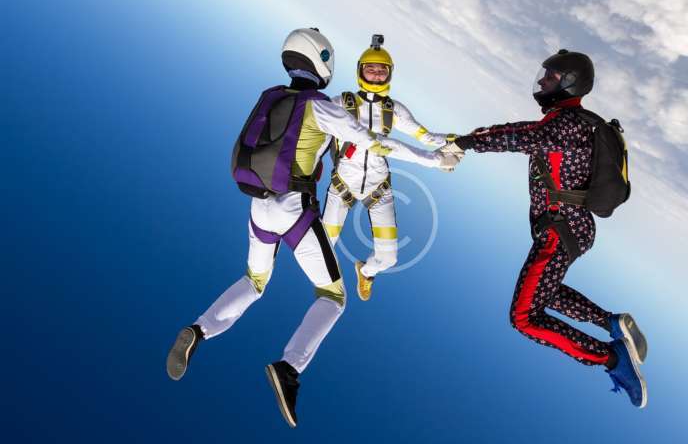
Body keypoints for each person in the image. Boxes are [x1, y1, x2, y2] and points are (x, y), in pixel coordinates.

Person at [165, 28, 458, 429]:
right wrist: (434, 160)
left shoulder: (272, 96)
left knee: (254, 281)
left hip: (258, 206)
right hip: (294, 211)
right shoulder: (323, 107)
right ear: (323, 62)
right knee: (333, 296)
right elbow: (377, 144)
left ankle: (199, 330)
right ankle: (289, 367)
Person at [448, 49, 649, 408]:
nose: (541, 80)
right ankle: (612, 323)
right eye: (545, 73)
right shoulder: (576, 121)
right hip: (566, 227)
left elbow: (519, 136)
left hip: (561, 228)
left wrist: (467, 141)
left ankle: (612, 359)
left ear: (571, 83)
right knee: (545, 293)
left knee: (524, 317)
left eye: (551, 76)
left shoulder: (566, 123)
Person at [323, 34, 457, 300]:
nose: (375, 74)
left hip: (378, 188)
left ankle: (366, 272)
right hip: (343, 185)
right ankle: (329, 289)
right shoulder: (340, 103)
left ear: (389, 74)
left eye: (381, 70)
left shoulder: (393, 109)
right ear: (360, 70)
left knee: (388, 258)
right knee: (322, 247)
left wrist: (456, 141)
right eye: (370, 69)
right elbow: (317, 133)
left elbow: (426, 137)